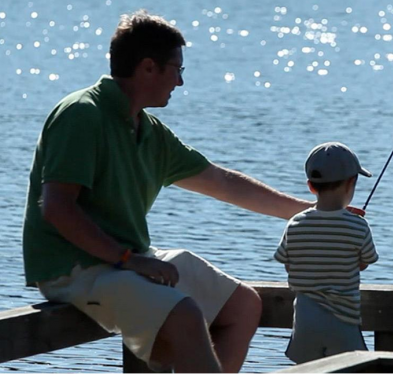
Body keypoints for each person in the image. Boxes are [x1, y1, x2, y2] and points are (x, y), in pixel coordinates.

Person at [21, 10, 315, 374]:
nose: (179, 81)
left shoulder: (149, 131)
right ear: (148, 68)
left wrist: (309, 211)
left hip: (125, 261)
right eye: (177, 69)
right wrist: (129, 260)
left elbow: (222, 183)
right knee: (184, 313)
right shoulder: (82, 115)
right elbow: (57, 209)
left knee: (242, 305)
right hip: (74, 269)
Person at [274, 142, 380, 364]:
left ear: (311, 187)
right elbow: (365, 261)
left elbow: (288, 264)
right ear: (351, 183)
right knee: (350, 368)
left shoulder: (295, 224)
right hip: (343, 321)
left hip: (305, 320)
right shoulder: (358, 226)